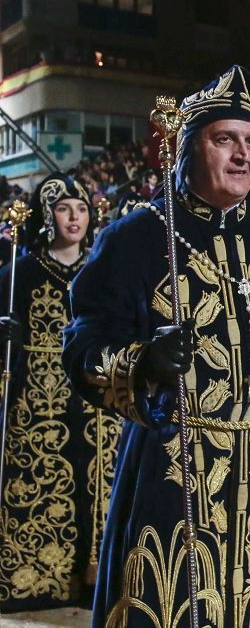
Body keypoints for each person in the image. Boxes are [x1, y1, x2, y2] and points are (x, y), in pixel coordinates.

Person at [62, 65, 250, 626]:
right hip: (173, 467)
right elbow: (84, 340)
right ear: (190, 149)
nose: (242, 155)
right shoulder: (137, 237)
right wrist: (140, 362)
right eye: (224, 140)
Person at [0, 173, 118, 612]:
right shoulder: (19, 272)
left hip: (92, 391)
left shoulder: (102, 268)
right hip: (37, 393)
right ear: (48, 215)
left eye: (82, 208)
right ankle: (37, 578)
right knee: (39, 476)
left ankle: (96, 578)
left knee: (97, 480)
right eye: (65, 208)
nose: (75, 217)